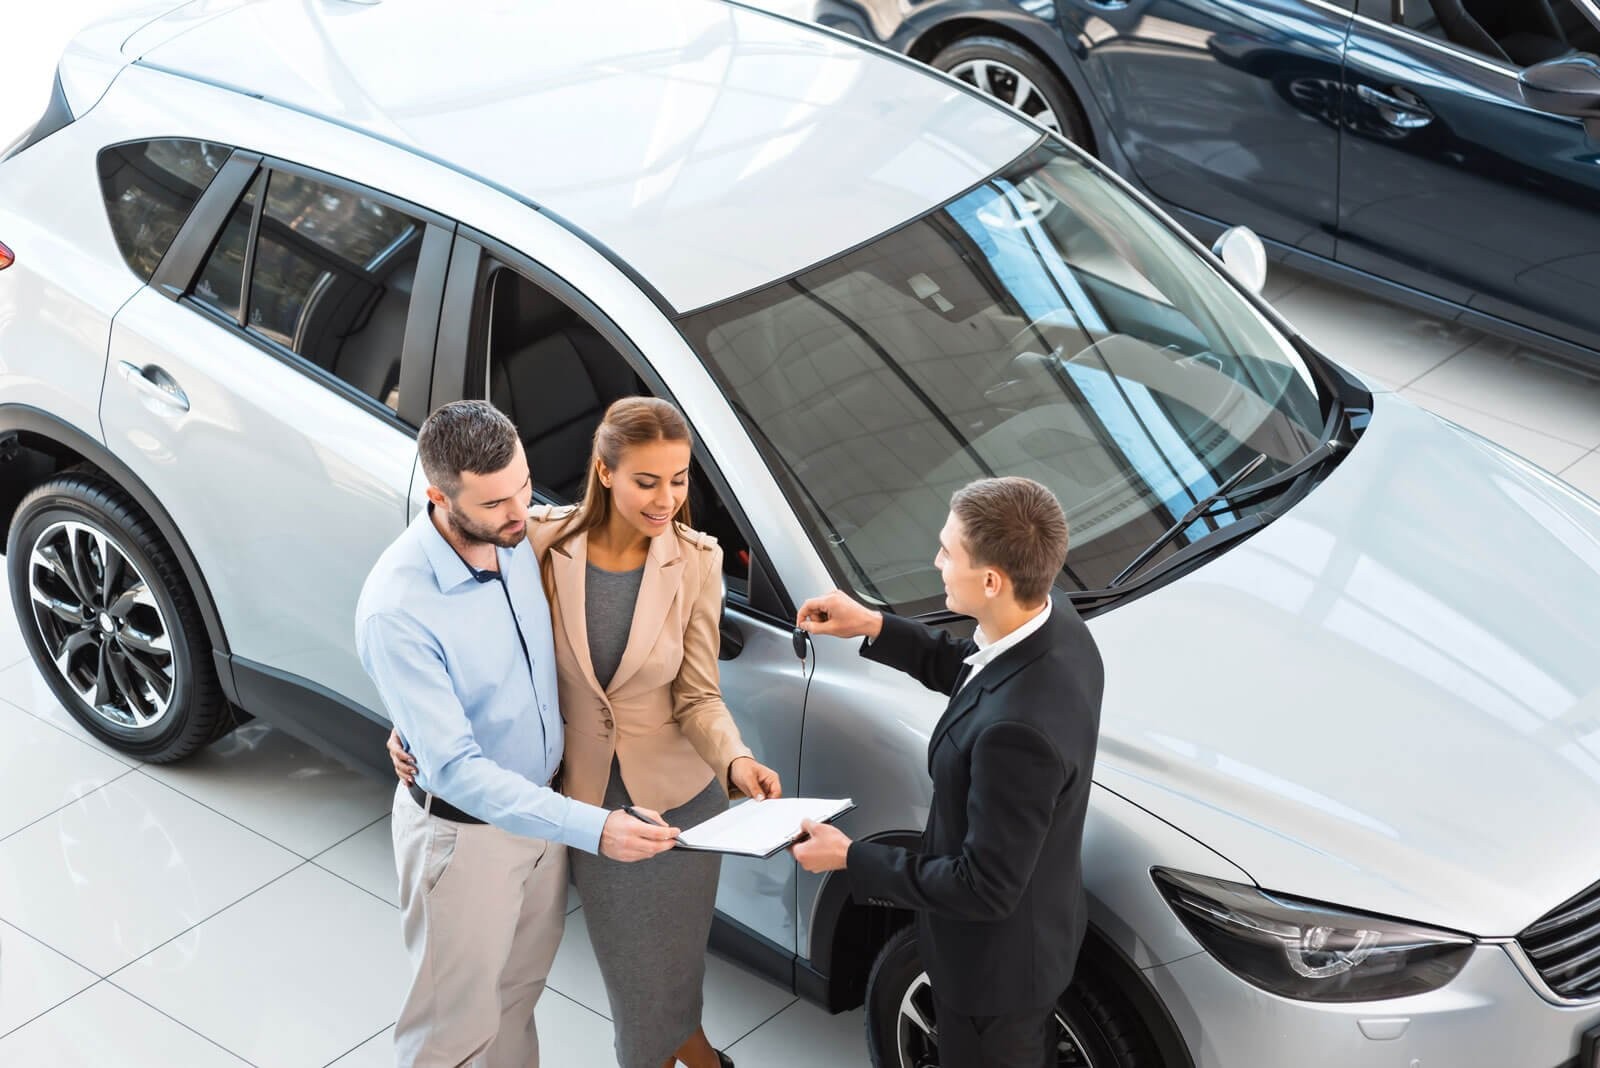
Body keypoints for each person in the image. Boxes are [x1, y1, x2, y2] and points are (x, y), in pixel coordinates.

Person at [391, 396, 782, 1068]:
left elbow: (698, 695)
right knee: (633, 976)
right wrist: (411, 725)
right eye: (647, 481)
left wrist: (737, 762)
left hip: (681, 801)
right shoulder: (538, 542)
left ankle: (700, 1057)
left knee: (674, 968)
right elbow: (463, 635)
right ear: (605, 471)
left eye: (679, 480)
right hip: (589, 804)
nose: (667, 500)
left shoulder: (697, 561)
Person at [356, 400, 679, 1068]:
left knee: (516, 1001)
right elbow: (455, 770)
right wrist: (595, 828)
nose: (519, 511)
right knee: (451, 1034)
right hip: (464, 842)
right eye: (496, 502)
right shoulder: (397, 609)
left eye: (524, 487)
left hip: (540, 818)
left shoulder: (521, 536)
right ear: (439, 497)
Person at [791, 476, 1104, 1068]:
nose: (936, 562)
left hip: (992, 975)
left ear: (991, 581)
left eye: (947, 552)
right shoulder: (1055, 622)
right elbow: (977, 671)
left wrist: (849, 857)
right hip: (1038, 930)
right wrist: (874, 625)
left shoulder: (1017, 735)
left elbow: (983, 887)